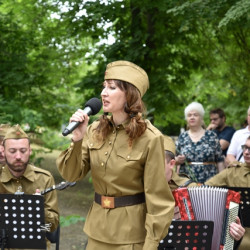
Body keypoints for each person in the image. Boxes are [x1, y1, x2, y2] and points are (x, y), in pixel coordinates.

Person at [56, 60, 175, 250]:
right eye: (104, 87)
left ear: (129, 94)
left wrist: (151, 245)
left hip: (130, 237)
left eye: (111, 88)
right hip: (96, 232)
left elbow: (158, 201)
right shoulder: (94, 129)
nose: (103, 93)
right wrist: (77, 139)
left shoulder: (150, 138)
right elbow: (71, 174)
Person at [163, 135, 245, 248]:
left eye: (157, 164)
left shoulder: (190, 188)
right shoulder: (141, 189)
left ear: (171, 164)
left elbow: (228, 239)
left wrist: (236, 235)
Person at [0, 124, 59, 249]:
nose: (18, 157)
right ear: (3, 152)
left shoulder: (44, 179)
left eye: (23, 151)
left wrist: (37, 209)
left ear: (30, 151)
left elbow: (51, 227)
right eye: (12, 151)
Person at [206, 135, 250, 249]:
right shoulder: (233, 171)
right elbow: (205, 187)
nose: (246, 152)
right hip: (238, 232)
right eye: (245, 147)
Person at [175, 102, 224, 183]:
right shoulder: (182, 137)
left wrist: (222, 181)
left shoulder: (212, 136)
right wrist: (178, 160)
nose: (192, 117)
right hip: (186, 180)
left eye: (195, 115)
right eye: (189, 115)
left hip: (210, 180)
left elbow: (220, 161)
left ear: (201, 118)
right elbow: (174, 160)